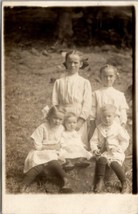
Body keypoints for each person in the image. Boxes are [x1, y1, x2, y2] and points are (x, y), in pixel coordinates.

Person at [20, 105, 72, 193]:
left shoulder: (61, 128)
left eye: (60, 119)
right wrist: (51, 147)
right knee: (37, 166)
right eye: (55, 118)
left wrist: (60, 149)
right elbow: (37, 146)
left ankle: (66, 180)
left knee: (54, 162)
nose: (57, 121)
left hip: (54, 152)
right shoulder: (42, 128)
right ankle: (24, 185)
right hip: (40, 152)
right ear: (49, 116)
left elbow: (61, 142)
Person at [52, 50, 92, 148]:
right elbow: (55, 102)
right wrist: (58, 118)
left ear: (81, 64)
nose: (73, 65)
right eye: (70, 62)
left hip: (78, 116)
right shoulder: (59, 82)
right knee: (63, 142)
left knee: (78, 143)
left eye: (76, 63)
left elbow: (87, 103)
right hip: (63, 115)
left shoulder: (84, 82)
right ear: (66, 63)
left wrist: (80, 121)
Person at [90, 104, 130, 193]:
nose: (107, 119)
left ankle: (124, 182)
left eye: (109, 116)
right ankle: (100, 181)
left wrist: (119, 149)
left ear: (114, 116)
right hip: (104, 152)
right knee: (102, 160)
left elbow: (125, 140)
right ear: (101, 117)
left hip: (115, 151)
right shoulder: (99, 128)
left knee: (114, 163)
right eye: (104, 117)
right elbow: (93, 141)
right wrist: (95, 149)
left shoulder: (117, 128)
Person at [89, 64, 129, 139]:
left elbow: (123, 115)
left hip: (116, 129)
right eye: (105, 76)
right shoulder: (96, 94)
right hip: (99, 128)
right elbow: (92, 116)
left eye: (111, 76)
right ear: (100, 77)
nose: (108, 79)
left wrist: (121, 129)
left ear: (115, 77)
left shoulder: (119, 95)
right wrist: (92, 132)